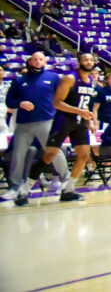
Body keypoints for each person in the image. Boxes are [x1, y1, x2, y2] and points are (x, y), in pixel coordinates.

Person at [40, 52, 102, 202]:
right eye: (85, 59)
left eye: (91, 60)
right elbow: (57, 103)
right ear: (79, 62)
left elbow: (85, 103)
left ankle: (69, 190)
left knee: (84, 156)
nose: (88, 62)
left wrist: (88, 121)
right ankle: (26, 186)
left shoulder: (91, 81)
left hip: (80, 122)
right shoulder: (70, 78)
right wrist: (79, 111)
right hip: (64, 119)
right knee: (49, 155)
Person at [5, 52, 63, 206]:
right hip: (24, 124)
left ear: (45, 62)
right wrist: (20, 103)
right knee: (18, 155)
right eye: (35, 59)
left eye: (40, 59)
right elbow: (9, 101)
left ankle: (66, 182)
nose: (37, 61)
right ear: (30, 62)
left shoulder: (53, 78)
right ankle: (15, 186)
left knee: (55, 152)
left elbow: (62, 98)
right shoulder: (19, 80)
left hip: (46, 122)